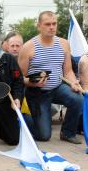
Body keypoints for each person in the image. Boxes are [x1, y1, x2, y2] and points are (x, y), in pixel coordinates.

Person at [19, 11, 83, 144]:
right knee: (43, 136)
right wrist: (33, 83)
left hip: (57, 87)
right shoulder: (28, 47)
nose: (52, 27)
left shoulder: (64, 44)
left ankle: (67, 133)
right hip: (37, 92)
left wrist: (73, 83)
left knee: (78, 98)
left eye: (54, 24)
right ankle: (26, 117)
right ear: (39, 26)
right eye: (47, 24)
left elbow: (68, 71)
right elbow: (19, 78)